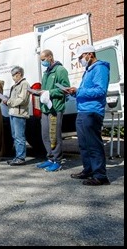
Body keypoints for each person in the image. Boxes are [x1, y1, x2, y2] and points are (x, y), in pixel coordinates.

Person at [66, 44, 111, 186]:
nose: (80, 60)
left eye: (81, 57)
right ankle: (88, 170)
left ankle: (100, 175)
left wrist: (78, 91)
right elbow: (87, 91)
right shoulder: (88, 70)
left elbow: (100, 91)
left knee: (93, 144)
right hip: (83, 110)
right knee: (84, 144)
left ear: (89, 54)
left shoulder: (100, 68)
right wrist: (74, 92)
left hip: (92, 111)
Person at [34, 49, 70, 172]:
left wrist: (49, 92)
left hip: (55, 108)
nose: (42, 62)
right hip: (45, 108)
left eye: (43, 59)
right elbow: (45, 90)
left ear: (50, 57)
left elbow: (65, 89)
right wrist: (39, 93)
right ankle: (50, 158)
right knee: (45, 135)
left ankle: (57, 161)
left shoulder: (60, 70)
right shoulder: (46, 73)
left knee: (54, 135)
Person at [3, 66, 30, 166]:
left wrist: (9, 102)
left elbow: (22, 99)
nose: (13, 77)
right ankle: (17, 157)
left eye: (13, 75)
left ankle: (20, 158)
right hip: (13, 112)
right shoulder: (15, 85)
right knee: (15, 136)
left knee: (19, 136)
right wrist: (7, 100)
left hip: (20, 113)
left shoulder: (24, 84)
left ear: (19, 74)